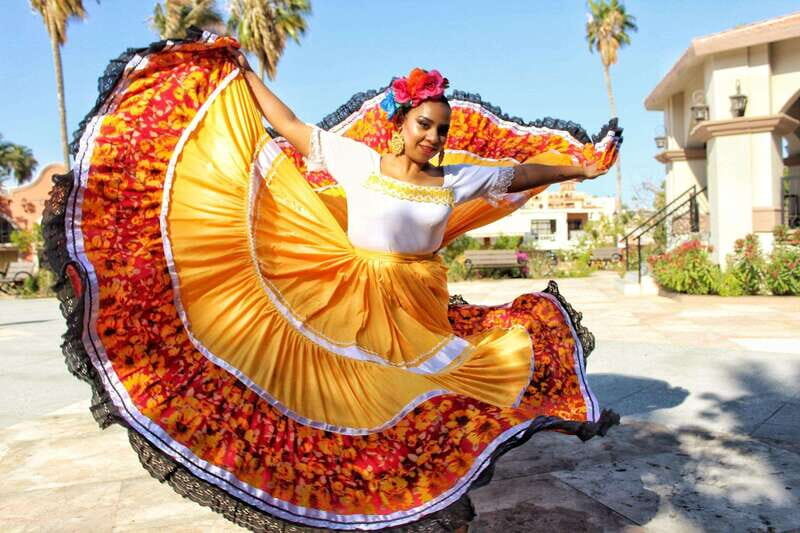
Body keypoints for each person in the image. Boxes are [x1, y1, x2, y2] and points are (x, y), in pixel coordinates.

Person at [43, 31, 621, 532]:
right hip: (353, 294)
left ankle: (436, 489)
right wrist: (244, 72)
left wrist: (582, 167)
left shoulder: (457, 179)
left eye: (442, 130)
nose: (433, 138)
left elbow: (524, 171)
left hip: (418, 303)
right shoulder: (360, 163)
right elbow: (289, 124)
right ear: (400, 123)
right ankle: (404, 501)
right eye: (425, 125)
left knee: (431, 392)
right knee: (359, 394)